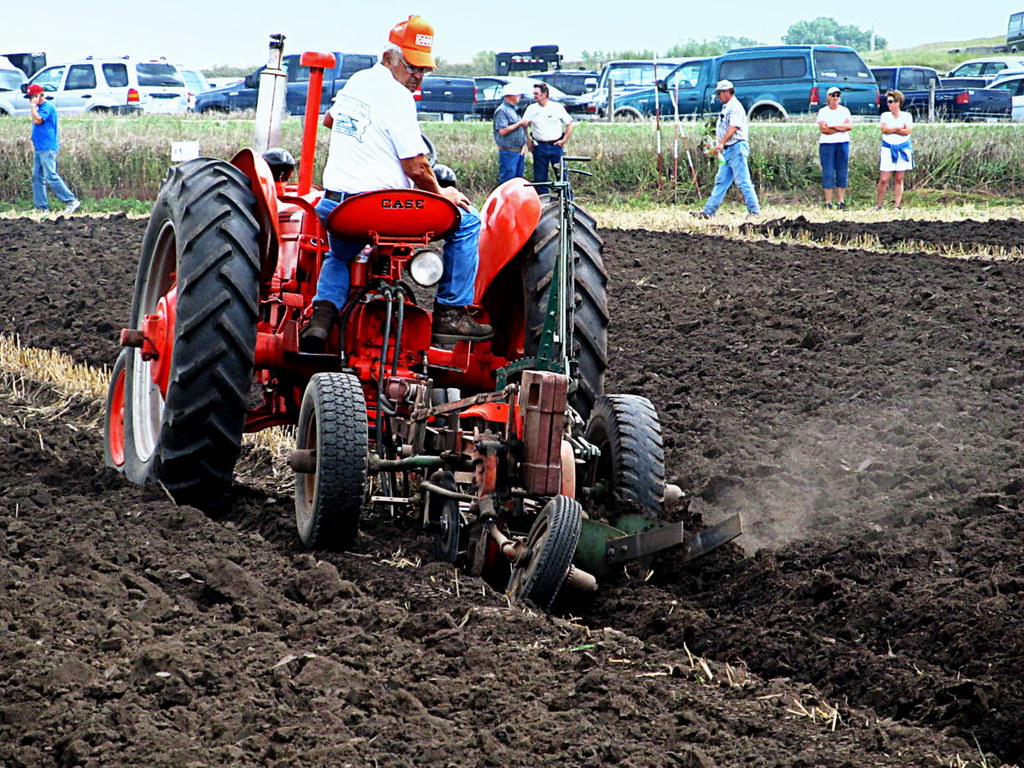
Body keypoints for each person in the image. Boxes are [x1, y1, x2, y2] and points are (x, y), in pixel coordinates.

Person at [300, 15, 491, 352]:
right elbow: (417, 167)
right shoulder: (398, 97)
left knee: (340, 255)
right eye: (412, 66)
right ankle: (450, 313)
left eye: (423, 69)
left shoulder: (358, 81)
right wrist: (442, 194)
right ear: (388, 58)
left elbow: (330, 120)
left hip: (339, 206)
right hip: (382, 209)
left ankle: (322, 316)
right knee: (468, 221)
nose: (417, 76)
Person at [693, 80, 760, 218]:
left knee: (742, 181)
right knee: (721, 181)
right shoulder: (726, 107)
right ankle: (708, 212)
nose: (718, 96)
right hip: (728, 150)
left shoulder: (734, 107)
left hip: (736, 147)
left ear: (727, 92)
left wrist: (721, 143)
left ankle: (754, 211)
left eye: (720, 93)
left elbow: (734, 127)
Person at [28, 84, 80, 215]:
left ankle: (71, 200)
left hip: (47, 147)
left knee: (50, 175)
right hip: (39, 147)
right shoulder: (40, 108)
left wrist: (33, 106)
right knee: (36, 177)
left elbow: (38, 121)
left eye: (32, 97)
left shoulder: (47, 107)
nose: (30, 100)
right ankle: (41, 207)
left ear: (39, 95)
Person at [523, 82, 573, 194]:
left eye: (536, 93)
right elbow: (524, 125)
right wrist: (528, 141)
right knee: (540, 177)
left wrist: (564, 140)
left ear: (544, 94)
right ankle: (543, 199)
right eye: (534, 93)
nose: (534, 96)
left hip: (555, 146)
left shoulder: (557, 107)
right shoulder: (531, 109)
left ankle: (567, 198)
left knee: (561, 174)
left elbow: (569, 124)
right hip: (539, 146)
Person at [875, 89, 913, 211]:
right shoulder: (885, 116)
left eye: (891, 101)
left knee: (899, 178)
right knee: (884, 179)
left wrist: (892, 129)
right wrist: (898, 128)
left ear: (898, 102)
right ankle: (878, 205)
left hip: (902, 148)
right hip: (888, 149)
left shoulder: (907, 116)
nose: (889, 104)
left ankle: (897, 205)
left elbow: (907, 131)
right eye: (888, 102)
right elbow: (884, 130)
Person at [817, 86, 853, 209]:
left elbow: (849, 127)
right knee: (828, 171)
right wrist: (840, 127)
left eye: (837, 95)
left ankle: (841, 201)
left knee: (842, 170)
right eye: (833, 95)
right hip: (827, 144)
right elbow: (824, 130)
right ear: (828, 97)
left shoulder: (845, 111)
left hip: (842, 143)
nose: (835, 98)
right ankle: (828, 202)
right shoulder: (823, 111)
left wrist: (832, 126)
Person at [493, 83, 529, 184]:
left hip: (517, 152)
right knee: (508, 180)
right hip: (508, 152)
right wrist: (519, 123)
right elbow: (502, 131)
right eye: (517, 95)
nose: (519, 97)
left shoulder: (512, 110)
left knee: (518, 181)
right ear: (510, 96)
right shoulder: (502, 110)